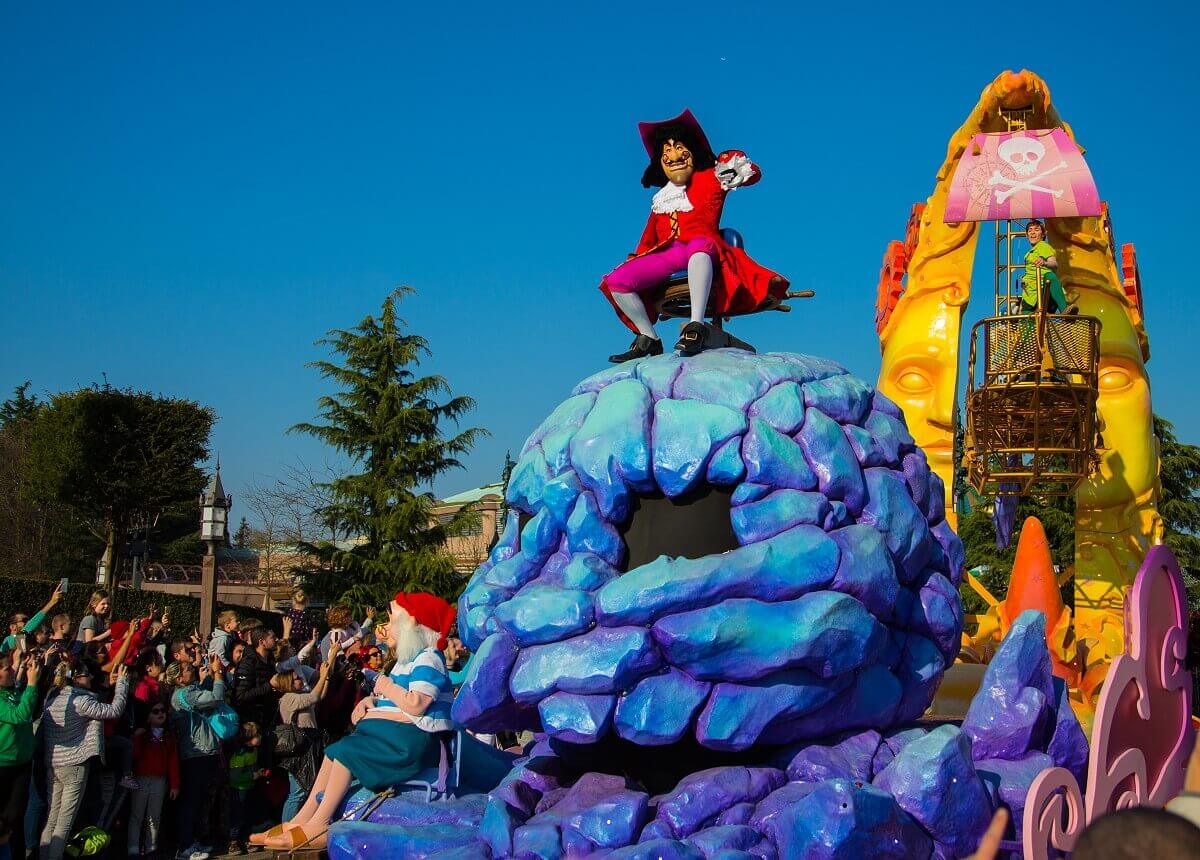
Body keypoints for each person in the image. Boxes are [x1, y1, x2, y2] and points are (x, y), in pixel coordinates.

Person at [253, 591, 457, 850]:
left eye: (392, 621)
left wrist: (382, 684)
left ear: (413, 624)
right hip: (397, 737)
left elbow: (416, 704)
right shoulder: (407, 662)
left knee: (347, 751)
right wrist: (369, 701)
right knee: (334, 751)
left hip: (414, 742)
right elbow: (394, 700)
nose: (387, 627)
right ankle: (302, 819)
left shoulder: (429, 658)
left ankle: (321, 822)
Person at [599, 109, 787, 362]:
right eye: (666, 152)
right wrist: (635, 262)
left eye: (679, 148)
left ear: (693, 151)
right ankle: (648, 337)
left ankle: (695, 325)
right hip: (668, 255)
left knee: (699, 248)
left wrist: (730, 161)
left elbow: (751, 173)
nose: (673, 155)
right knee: (617, 280)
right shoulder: (662, 198)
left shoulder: (710, 177)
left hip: (704, 246)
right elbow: (648, 241)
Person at [39, 658, 131, 860]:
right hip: (74, 765)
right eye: (87, 674)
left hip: (53, 764)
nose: (90, 677)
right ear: (76, 678)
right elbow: (114, 710)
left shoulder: (53, 698)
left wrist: (109, 685)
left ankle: (44, 855)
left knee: (51, 818)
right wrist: (123, 684)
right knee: (64, 822)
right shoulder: (81, 701)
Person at [164, 654, 226, 860]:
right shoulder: (183, 695)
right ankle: (185, 846)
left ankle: (192, 840)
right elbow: (214, 698)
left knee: (199, 801)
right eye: (188, 669)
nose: (192, 668)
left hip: (203, 752)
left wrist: (208, 677)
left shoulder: (188, 692)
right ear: (178, 678)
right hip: (195, 754)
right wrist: (217, 674)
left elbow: (203, 693)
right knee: (190, 801)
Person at [271, 645, 338, 823]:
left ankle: (297, 823)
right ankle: (286, 826)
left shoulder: (299, 695)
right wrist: (323, 673)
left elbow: (319, 695)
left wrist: (327, 672)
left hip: (308, 745)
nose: (300, 679)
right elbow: (314, 696)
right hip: (298, 750)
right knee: (298, 791)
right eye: (296, 679)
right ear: (288, 683)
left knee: (306, 788)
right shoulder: (289, 698)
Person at [0, 654, 40, 860]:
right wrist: (31, 684)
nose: (13, 670)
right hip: (3, 764)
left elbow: (27, 706)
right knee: (3, 821)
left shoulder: (11, 690)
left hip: (22, 763)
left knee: (14, 820)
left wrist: (26, 669)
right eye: (7, 669)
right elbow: (19, 715)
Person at [128, 701, 180, 859]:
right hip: (141, 779)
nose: (160, 713)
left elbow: (173, 762)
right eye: (155, 711)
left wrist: (175, 785)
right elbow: (134, 755)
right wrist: (137, 737)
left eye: (162, 710)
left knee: (155, 817)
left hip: (159, 780)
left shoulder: (168, 737)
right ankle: (133, 848)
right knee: (137, 816)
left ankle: (151, 848)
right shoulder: (142, 735)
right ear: (148, 716)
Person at [226, 721, 265, 855]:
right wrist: (252, 775)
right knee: (237, 815)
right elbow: (235, 776)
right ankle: (234, 841)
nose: (260, 737)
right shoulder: (240, 754)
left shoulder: (254, 750)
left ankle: (247, 839)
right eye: (257, 735)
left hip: (249, 787)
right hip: (239, 789)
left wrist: (259, 772)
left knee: (249, 814)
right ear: (248, 737)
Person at [231, 627, 278, 732]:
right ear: (262, 642)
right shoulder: (248, 664)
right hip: (251, 721)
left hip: (267, 717)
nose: (276, 639)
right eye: (272, 637)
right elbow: (240, 696)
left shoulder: (270, 661)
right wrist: (269, 685)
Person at [1020, 219, 1069, 314]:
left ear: (1043, 234)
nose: (1032, 232)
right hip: (1030, 293)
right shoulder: (1029, 252)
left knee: (1049, 276)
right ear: (1026, 235)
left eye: (1036, 229)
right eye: (1030, 230)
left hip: (1043, 290)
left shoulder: (1043, 246)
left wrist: (1044, 262)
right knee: (1026, 318)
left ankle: (1065, 310)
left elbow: (1054, 264)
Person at [1, 582, 64, 652]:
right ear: (12, 627)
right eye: (24, 620)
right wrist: (52, 602)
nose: (28, 622)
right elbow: (30, 626)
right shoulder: (9, 641)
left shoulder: (27, 642)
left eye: (28, 620)